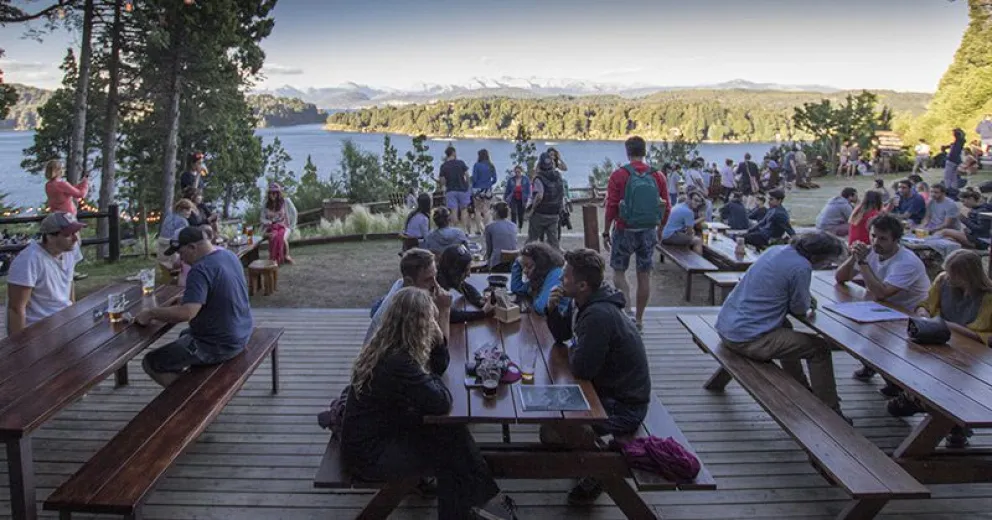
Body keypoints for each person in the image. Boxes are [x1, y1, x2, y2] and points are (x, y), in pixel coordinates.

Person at [341, 287, 518, 520]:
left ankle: (484, 505)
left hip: (379, 433)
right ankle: (488, 503)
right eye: (430, 319)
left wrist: (437, 343)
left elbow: (438, 368)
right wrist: (430, 375)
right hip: (370, 454)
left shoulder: (389, 346)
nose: (433, 322)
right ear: (418, 323)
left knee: (452, 436)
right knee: (450, 452)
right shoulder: (399, 361)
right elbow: (441, 402)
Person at [544, 249, 652, 505]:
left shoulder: (599, 315)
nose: (561, 279)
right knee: (551, 426)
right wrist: (552, 309)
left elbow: (582, 369)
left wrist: (575, 350)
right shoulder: (582, 301)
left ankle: (602, 471)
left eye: (566, 276)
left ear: (582, 284)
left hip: (624, 406)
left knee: (554, 430)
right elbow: (562, 337)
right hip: (607, 391)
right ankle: (591, 460)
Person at [715, 233, 849, 420]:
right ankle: (831, 411)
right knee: (819, 348)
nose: (827, 266)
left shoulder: (775, 251)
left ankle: (801, 387)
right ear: (817, 256)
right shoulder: (801, 267)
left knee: (786, 329)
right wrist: (808, 300)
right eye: (827, 261)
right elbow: (799, 308)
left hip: (729, 325)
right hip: (746, 338)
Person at [885, 249, 992, 447]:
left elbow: (983, 333)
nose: (950, 278)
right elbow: (926, 304)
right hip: (939, 340)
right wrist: (924, 312)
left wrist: (947, 325)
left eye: (955, 275)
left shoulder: (987, 297)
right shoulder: (943, 281)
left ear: (967, 275)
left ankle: (949, 422)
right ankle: (916, 399)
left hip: (972, 354)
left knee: (958, 385)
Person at [136, 226, 253, 387]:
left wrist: (150, 313)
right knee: (185, 335)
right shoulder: (228, 255)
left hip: (220, 344)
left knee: (152, 362)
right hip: (241, 332)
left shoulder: (199, 269)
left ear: (192, 247)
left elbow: (187, 313)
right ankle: (190, 383)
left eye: (182, 253)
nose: (181, 259)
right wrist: (188, 298)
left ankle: (190, 400)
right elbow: (220, 290)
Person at [835, 215, 931, 382]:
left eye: (882, 238)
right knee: (849, 326)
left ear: (896, 240)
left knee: (873, 331)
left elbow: (882, 292)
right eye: (873, 236)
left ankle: (893, 380)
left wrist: (863, 262)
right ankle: (871, 364)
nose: (875, 242)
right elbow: (841, 277)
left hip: (911, 314)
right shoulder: (871, 251)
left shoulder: (907, 262)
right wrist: (854, 257)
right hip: (883, 309)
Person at [603, 136, 671, 330]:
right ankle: (640, 320)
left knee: (618, 272)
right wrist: (660, 229)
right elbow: (666, 206)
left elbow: (612, 206)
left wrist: (606, 231)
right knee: (644, 276)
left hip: (624, 230)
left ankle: (627, 313)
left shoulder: (619, 175)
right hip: (648, 230)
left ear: (627, 152)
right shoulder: (658, 176)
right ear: (644, 152)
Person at [6, 212, 85, 335]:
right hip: (39, 328)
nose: (75, 238)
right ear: (50, 237)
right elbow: (16, 308)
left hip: (64, 321)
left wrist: (72, 314)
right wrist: (19, 346)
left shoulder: (70, 251)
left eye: (76, 233)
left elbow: (69, 282)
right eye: (68, 234)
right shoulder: (28, 260)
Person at [510, 242, 567, 316]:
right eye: (523, 266)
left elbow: (541, 308)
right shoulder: (540, 277)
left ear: (541, 265)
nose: (524, 271)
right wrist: (518, 262)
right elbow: (517, 288)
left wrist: (534, 294)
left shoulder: (556, 274)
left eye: (529, 266)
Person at [527, 152, 565, 249]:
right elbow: (562, 193)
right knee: (553, 240)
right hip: (554, 212)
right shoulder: (558, 176)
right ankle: (557, 260)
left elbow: (539, 195)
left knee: (532, 239)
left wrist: (532, 210)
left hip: (541, 212)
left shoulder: (539, 178)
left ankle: (526, 258)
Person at [260, 182, 297, 265]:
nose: (273, 195)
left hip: (284, 226)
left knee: (282, 238)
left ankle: (286, 256)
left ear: (278, 193)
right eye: (271, 193)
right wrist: (269, 222)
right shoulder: (265, 204)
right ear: (268, 194)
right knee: (273, 236)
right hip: (271, 227)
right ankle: (274, 258)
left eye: (275, 193)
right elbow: (262, 218)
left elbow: (294, 213)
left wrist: (292, 226)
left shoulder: (285, 201)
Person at [438, 146, 471, 227]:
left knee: (453, 211)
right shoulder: (461, 163)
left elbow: (442, 180)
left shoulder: (444, 166)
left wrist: (444, 186)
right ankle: (465, 231)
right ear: (453, 153)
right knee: (464, 210)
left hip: (451, 190)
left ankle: (455, 229)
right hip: (462, 189)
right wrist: (468, 186)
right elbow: (467, 175)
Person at [157, 198, 195, 263]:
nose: (190, 213)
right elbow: (184, 238)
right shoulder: (183, 221)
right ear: (181, 209)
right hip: (172, 247)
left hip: (161, 244)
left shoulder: (169, 216)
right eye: (188, 210)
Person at [471, 149, 498, 234]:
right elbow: (495, 179)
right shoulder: (491, 166)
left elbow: (474, 178)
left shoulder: (477, 165)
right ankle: (487, 228)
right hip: (488, 188)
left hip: (478, 189)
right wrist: (489, 183)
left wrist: (474, 185)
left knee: (478, 210)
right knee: (486, 210)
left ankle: (479, 229)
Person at [484, 201, 518, 271]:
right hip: (513, 260)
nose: (491, 213)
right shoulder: (514, 226)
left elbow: (489, 250)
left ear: (496, 213)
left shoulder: (489, 227)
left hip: (497, 262)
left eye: (492, 211)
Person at [503, 165, 530, 230]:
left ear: (521, 171)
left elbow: (528, 190)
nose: (517, 173)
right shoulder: (511, 180)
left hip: (522, 198)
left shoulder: (526, 179)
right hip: (513, 197)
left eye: (518, 172)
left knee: (521, 214)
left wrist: (528, 199)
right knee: (513, 212)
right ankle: (513, 228)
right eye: (516, 172)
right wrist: (505, 198)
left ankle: (520, 227)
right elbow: (507, 189)